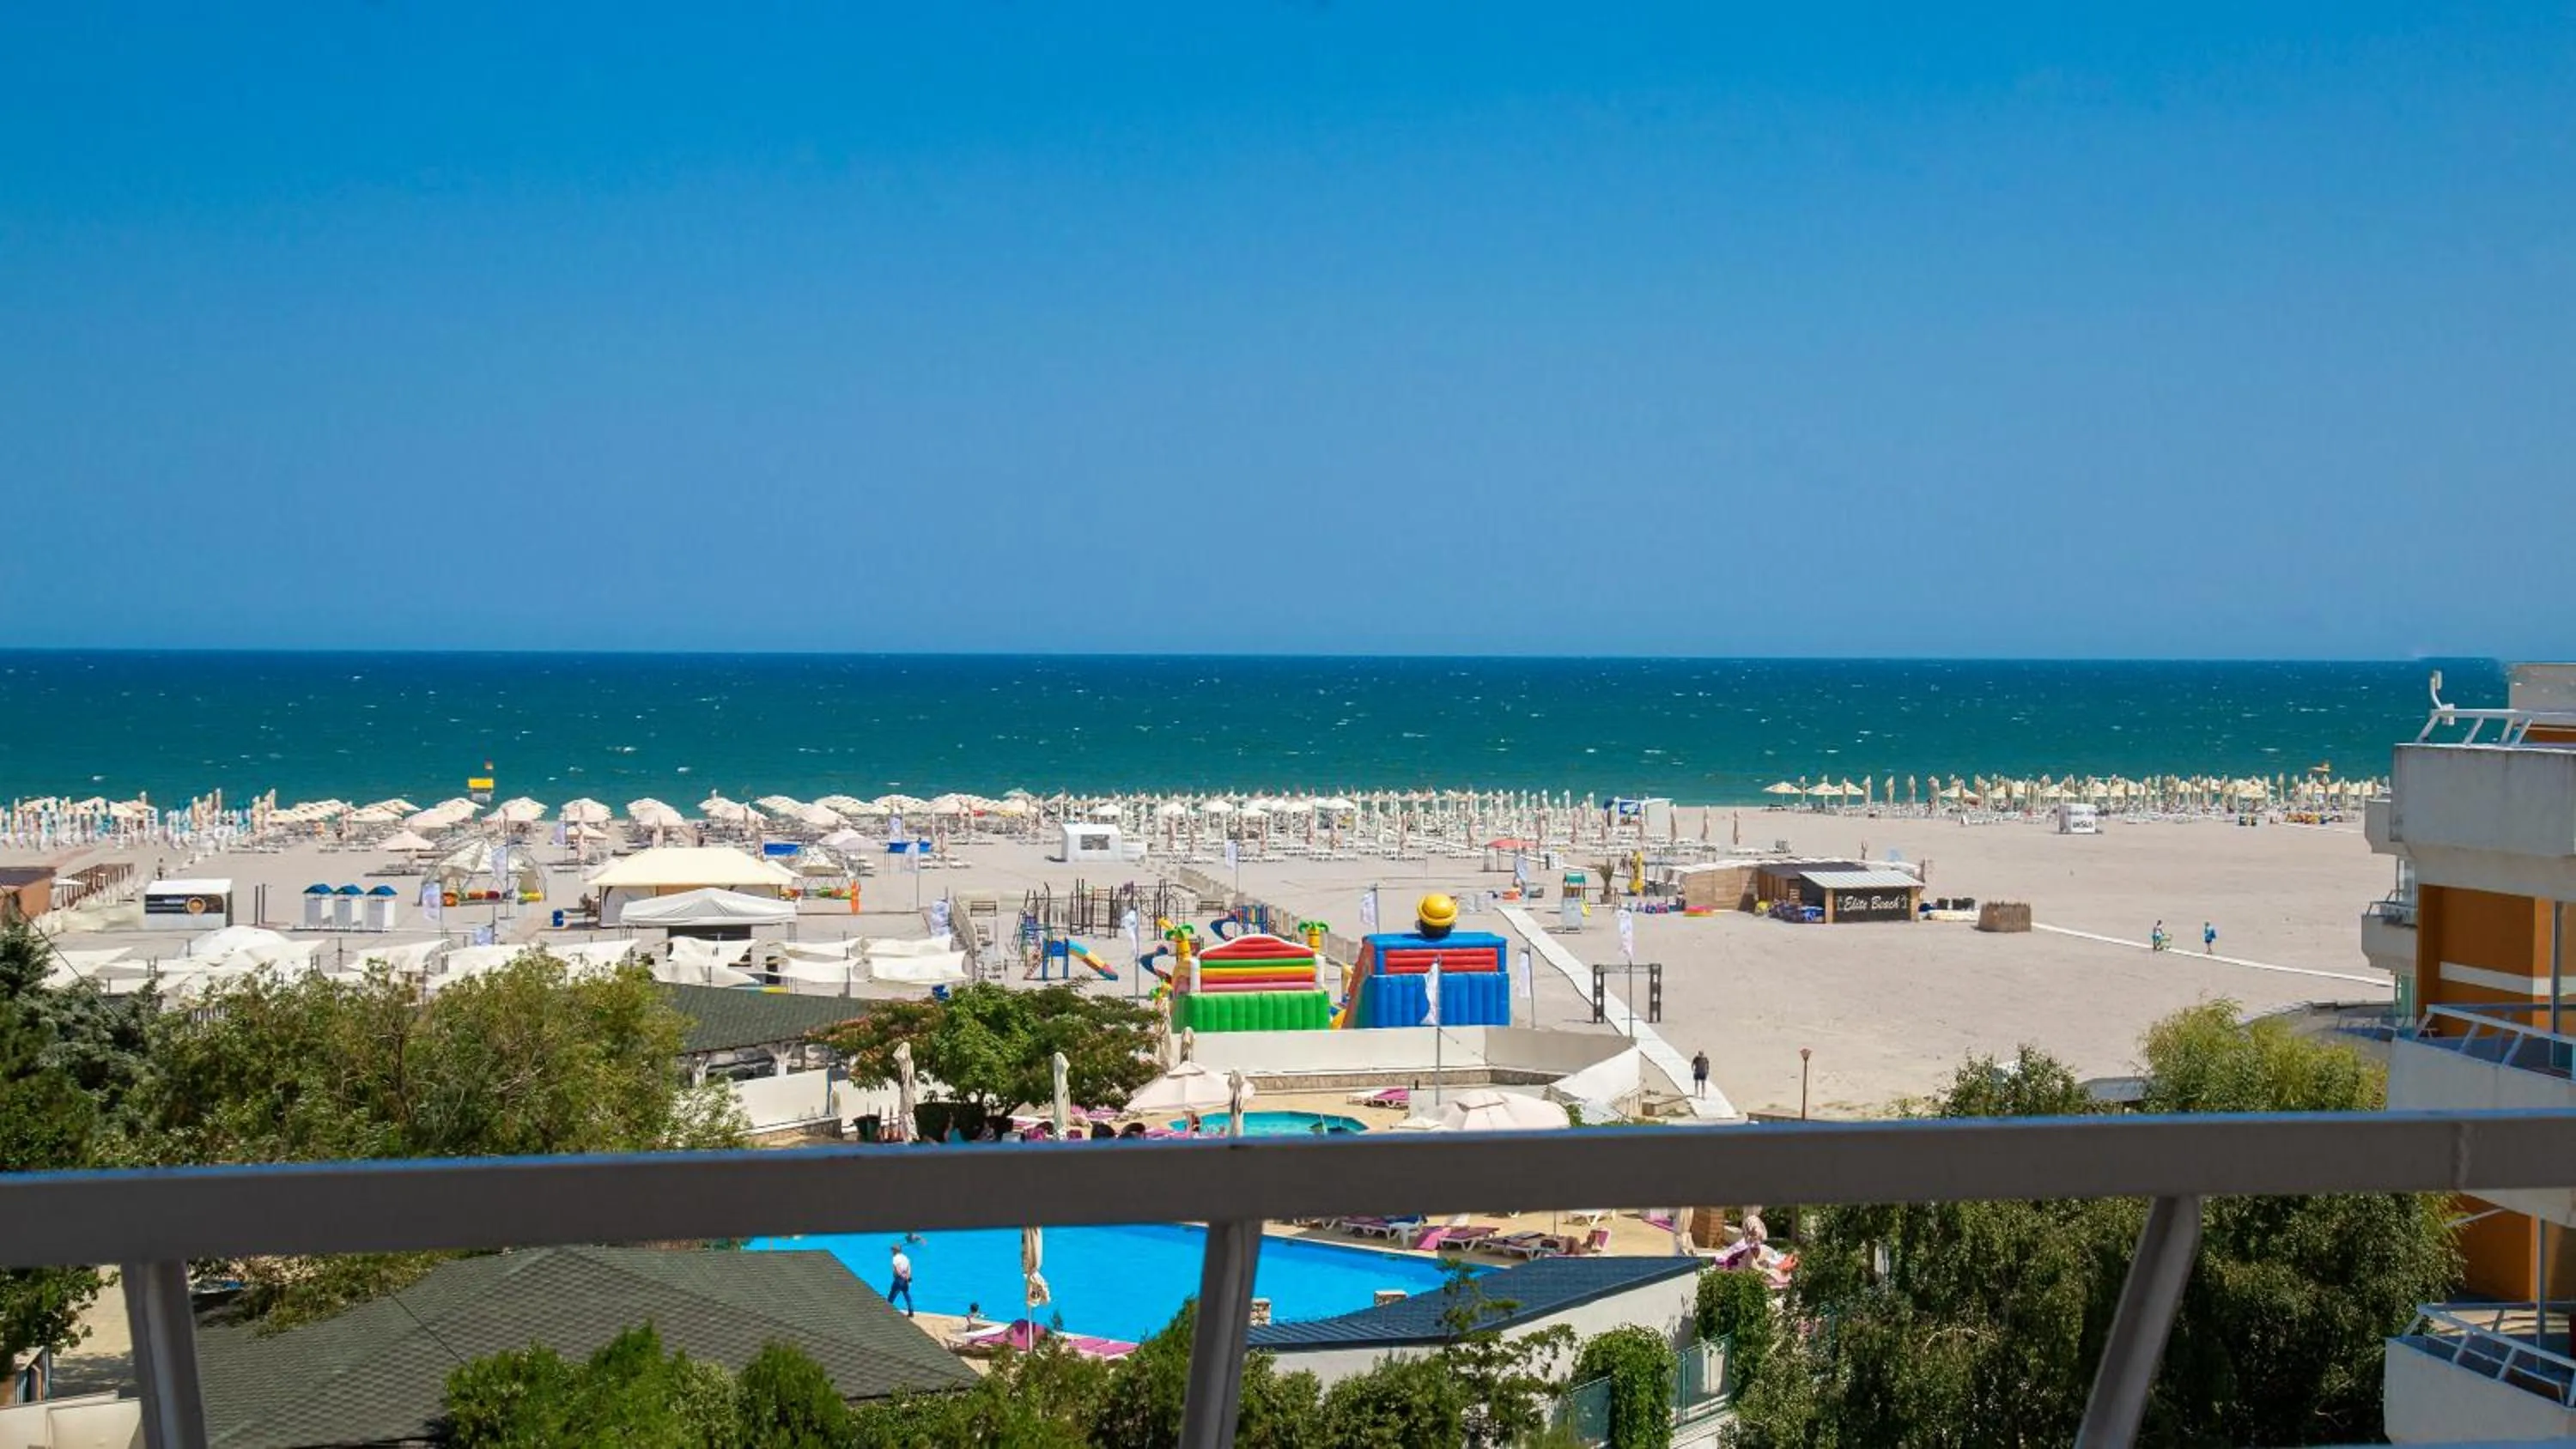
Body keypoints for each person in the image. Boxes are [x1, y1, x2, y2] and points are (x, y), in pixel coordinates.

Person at [888, 1243, 915, 1318]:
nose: (892, 1252)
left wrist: (901, 1276)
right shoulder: (905, 1258)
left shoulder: (895, 1258)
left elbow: (897, 1268)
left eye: (892, 1250)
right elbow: (909, 1269)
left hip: (899, 1279)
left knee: (892, 1296)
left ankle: (886, 1311)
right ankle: (911, 1312)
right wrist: (908, 1278)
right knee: (907, 1295)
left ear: (895, 1250)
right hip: (906, 1279)